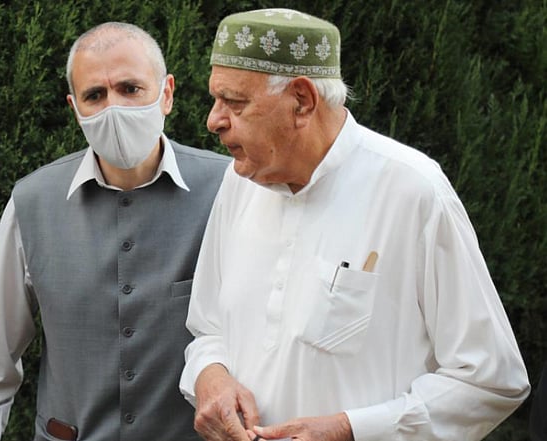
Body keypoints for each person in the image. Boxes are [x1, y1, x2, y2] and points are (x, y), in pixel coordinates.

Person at [179, 8, 530, 441]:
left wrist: (353, 430)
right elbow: (208, 328)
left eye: (235, 102)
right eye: (216, 100)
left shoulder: (413, 191)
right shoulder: (242, 182)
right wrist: (210, 375)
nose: (213, 120)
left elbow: (491, 379)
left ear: (302, 101)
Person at [0, 22, 230, 441]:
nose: (113, 107)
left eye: (131, 89)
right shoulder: (33, 200)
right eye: (95, 95)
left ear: (166, 94)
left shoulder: (228, 189)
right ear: (74, 106)